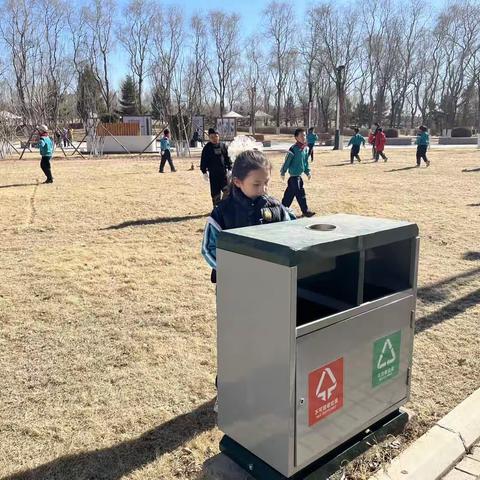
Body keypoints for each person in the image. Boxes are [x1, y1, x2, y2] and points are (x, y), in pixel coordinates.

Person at [201, 149, 294, 412]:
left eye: (266, 183)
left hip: (269, 290)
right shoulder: (222, 213)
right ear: (237, 181)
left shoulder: (276, 208)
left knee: (266, 339)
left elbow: (295, 236)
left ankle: (264, 386)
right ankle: (228, 392)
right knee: (236, 342)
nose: (263, 188)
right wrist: (237, 272)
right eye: (257, 184)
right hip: (235, 292)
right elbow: (209, 249)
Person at [280, 128, 315, 217]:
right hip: (294, 177)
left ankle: (281, 210)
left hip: (299, 177)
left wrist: (308, 172)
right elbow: (287, 161)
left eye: (305, 135)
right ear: (296, 137)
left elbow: (305, 162)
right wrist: (283, 172)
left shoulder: (306, 149)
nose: (304, 137)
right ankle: (305, 211)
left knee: (289, 195)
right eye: (301, 135)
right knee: (300, 194)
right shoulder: (293, 149)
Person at [200, 127, 232, 206]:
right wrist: (204, 172)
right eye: (212, 137)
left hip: (223, 173)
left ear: (219, 136)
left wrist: (230, 169)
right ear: (209, 138)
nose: (214, 139)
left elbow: (228, 158)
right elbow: (203, 160)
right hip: (213, 174)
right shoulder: (207, 148)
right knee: (215, 193)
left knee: (227, 190)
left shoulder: (223, 146)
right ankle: (217, 208)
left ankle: (224, 206)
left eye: (216, 136)